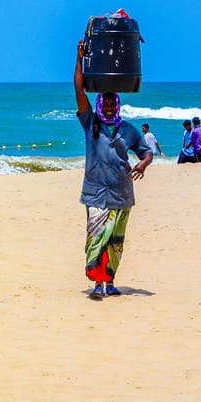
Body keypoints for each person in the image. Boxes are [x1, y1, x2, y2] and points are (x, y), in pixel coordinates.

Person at [75, 42, 153, 300]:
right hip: (95, 192)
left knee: (115, 241)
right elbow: (79, 90)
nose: (108, 107)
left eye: (112, 103)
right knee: (96, 237)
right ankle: (97, 284)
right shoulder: (91, 123)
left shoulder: (128, 129)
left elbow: (146, 152)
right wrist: (79, 59)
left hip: (121, 193)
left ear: (117, 105)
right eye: (105, 103)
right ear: (100, 104)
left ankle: (110, 281)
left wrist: (143, 164)